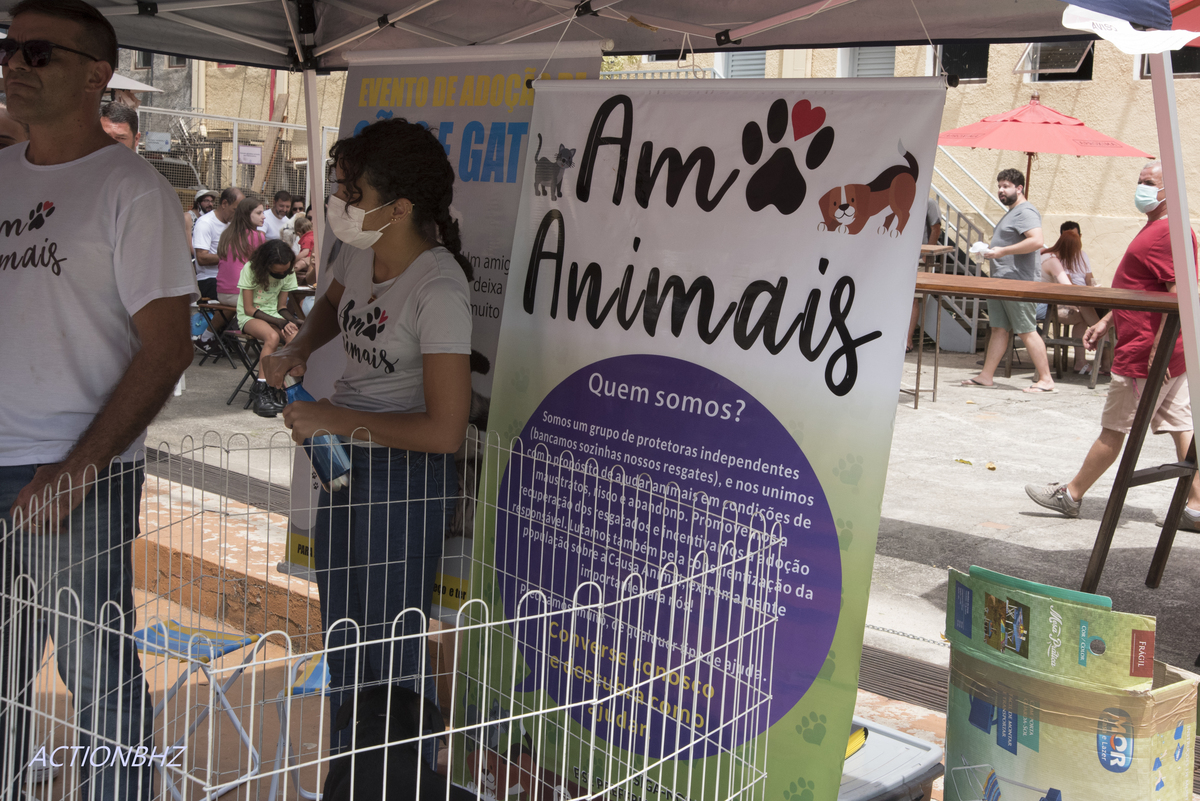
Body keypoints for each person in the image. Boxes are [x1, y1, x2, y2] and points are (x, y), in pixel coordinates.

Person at [0, 0, 196, 797]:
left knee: (96, 670)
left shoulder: (132, 190)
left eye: (38, 53)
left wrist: (80, 467)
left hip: (77, 475)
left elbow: (169, 347)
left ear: (95, 76)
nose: (15, 64)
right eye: (9, 48)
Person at [261, 118, 472, 755]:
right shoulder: (359, 251)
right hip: (344, 461)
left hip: (404, 476)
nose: (339, 203)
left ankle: (400, 774)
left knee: (391, 642)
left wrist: (335, 419)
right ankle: (349, 769)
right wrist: (296, 349)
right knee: (345, 635)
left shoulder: (438, 288)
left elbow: (444, 431)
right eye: (339, 189)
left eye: (352, 194)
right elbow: (330, 305)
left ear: (400, 207)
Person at [1026, 162, 1200, 528]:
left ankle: (1071, 495)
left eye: (1148, 182)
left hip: (1146, 352)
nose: (1141, 188)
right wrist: (1106, 320)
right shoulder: (1160, 228)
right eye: (1139, 181)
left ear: (1169, 189)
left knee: (1115, 428)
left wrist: (1157, 349)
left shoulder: (1167, 232)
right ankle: (1197, 507)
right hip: (1168, 351)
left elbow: (1179, 295)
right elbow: (1140, 287)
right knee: (1181, 425)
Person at [961, 168, 1054, 393]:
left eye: (1006, 186)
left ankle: (1046, 380)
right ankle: (986, 376)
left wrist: (1002, 251)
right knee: (998, 329)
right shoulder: (1012, 212)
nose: (1001, 190)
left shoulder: (1026, 211)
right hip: (1001, 281)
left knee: (1026, 329)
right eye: (999, 186)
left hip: (1018, 282)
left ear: (1019, 188)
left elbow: (1037, 241)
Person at [238, 239, 302, 417]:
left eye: (284, 272)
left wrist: (293, 321)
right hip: (249, 316)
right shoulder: (250, 269)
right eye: (277, 273)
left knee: (294, 336)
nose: (282, 275)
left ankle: (281, 384)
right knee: (272, 337)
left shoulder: (288, 271)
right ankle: (262, 388)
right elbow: (248, 308)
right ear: (266, 265)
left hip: (274, 315)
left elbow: (281, 307)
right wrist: (279, 322)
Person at [1039, 222, 1101, 373]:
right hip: (1042, 306)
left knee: (1084, 314)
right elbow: (1070, 288)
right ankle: (1102, 342)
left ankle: (1087, 357)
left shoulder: (1045, 254)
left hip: (1040, 303)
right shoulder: (1052, 260)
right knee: (1085, 315)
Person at [906, 196, 943, 352]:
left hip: (919, 257)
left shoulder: (929, 202)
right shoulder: (902, 199)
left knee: (913, 299)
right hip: (901, 257)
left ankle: (908, 340)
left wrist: (927, 253)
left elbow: (936, 228)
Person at [216, 196, 266, 308]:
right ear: (247, 214)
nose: (264, 216)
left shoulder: (226, 234)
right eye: (259, 213)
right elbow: (262, 266)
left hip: (221, 293)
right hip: (242, 293)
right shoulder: (257, 236)